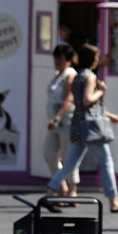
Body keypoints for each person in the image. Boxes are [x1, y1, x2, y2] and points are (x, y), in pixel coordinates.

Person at [47, 44, 118, 213]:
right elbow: (88, 101)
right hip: (90, 129)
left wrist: (108, 115)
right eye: (96, 58)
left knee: (70, 163)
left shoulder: (79, 76)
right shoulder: (90, 77)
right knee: (106, 162)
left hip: (78, 125)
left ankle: (50, 190)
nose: (97, 60)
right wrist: (101, 91)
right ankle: (113, 200)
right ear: (92, 60)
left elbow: (83, 106)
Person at [43, 43, 80, 197]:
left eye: (60, 58)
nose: (57, 61)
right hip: (55, 124)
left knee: (68, 157)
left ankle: (72, 190)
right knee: (49, 153)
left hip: (67, 123)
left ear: (69, 60)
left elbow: (69, 100)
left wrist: (57, 117)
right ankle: (61, 185)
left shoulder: (69, 76)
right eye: (55, 58)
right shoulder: (58, 74)